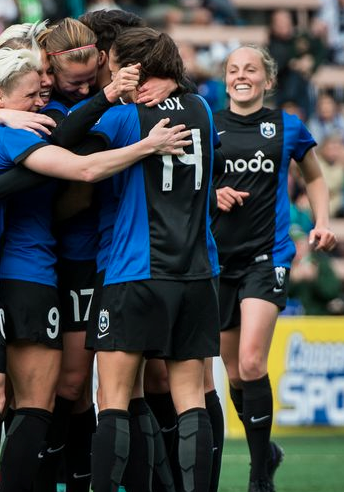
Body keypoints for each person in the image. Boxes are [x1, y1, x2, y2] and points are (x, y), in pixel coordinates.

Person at [0, 45, 186, 492]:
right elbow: (79, 171)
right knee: (24, 403)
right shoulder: (12, 128)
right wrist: (146, 145)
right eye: (36, 82)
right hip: (23, 273)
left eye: (46, 80)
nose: (43, 92)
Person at [54, 26, 220, 492]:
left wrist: (108, 96)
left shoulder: (129, 117)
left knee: (114, 399)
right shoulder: (204, 110)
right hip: (195, 273)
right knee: (191, 398)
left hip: (134, 272)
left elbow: (67, 138)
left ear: (132, 70)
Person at [211, 45, 337, 492]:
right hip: (218, 263)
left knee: (250, 362)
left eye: (250, 70)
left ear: (267, 81)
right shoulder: (208, 125)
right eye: (233, 70)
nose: (240, 75)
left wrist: (322, 221)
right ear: (225, 79)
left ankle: (259, 473)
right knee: (231, 371)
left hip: (269, 257)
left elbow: (316, 176)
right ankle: (269, 451)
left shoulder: (287, 126)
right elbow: (191, 186)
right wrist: (213, 196)